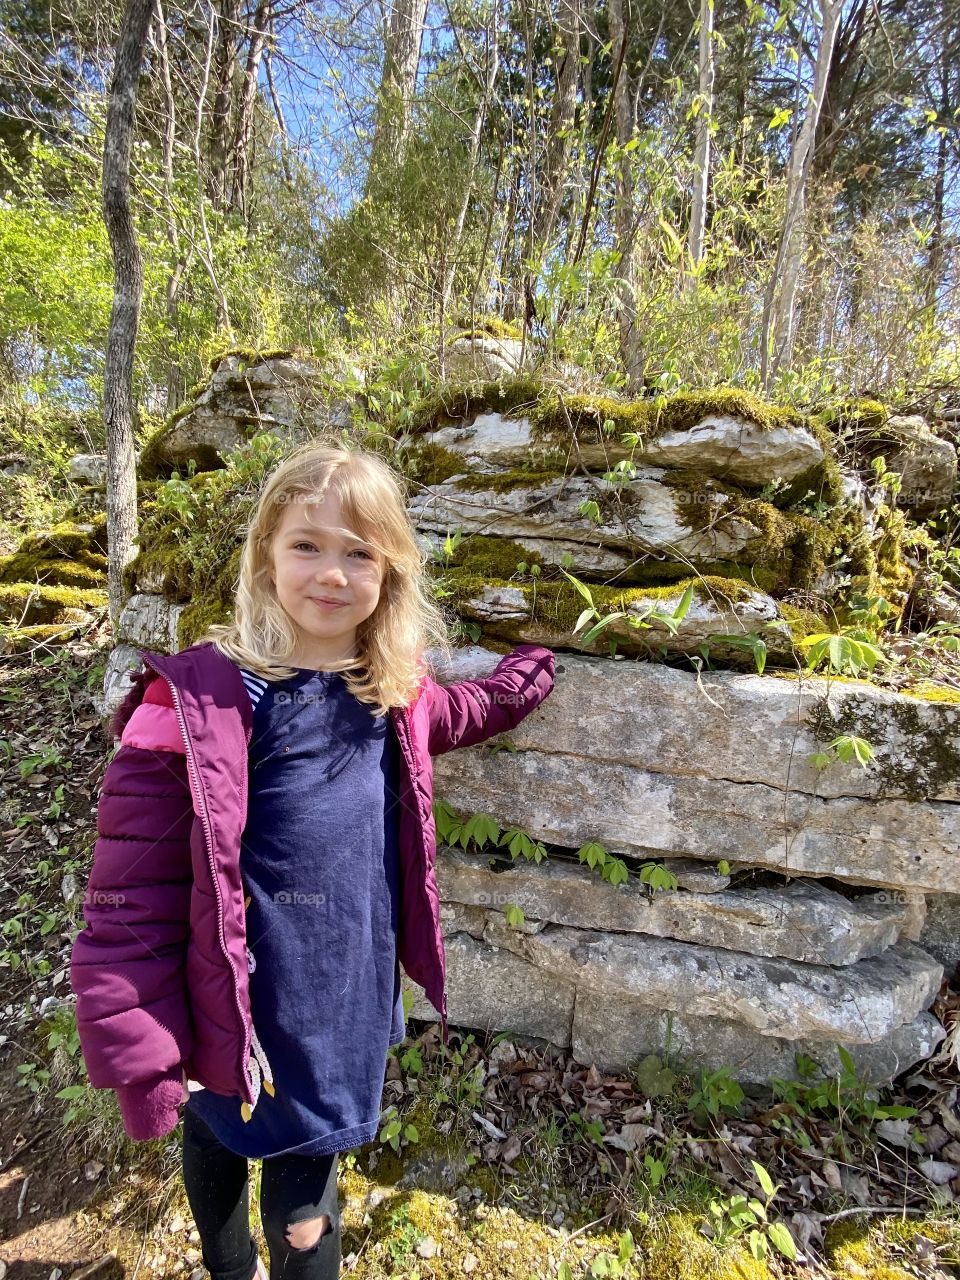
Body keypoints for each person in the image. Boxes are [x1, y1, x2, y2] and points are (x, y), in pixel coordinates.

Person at [69, 437, 557, 1280]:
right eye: (307, 545)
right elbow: (131, 892)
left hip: (337, 999)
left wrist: (525, 680)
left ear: (390, 572)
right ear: (266, 555)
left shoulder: (391, 692)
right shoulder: (201, 699)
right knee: (215, 1132)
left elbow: (464, 710)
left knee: (305, 1194)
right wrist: (149, 1055)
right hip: (234, 992)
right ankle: (229, 1267)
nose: (331, 573)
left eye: (358, 553)